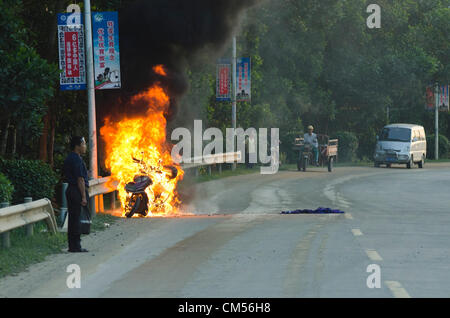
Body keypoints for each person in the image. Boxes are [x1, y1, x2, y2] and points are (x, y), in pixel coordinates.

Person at [63, 136, 90, 253]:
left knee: (73, 218)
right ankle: (76, 246)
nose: (85, 146)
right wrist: (83, 196)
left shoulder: (70, 158)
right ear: (77, 146)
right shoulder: (76, 160)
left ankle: (72, 245)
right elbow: (80, 179)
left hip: (71, 190)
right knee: (76, 218)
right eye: (83, 144)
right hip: (75, 191)